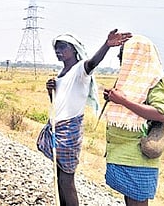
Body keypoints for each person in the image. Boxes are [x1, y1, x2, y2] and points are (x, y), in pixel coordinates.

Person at [36, 29, 131, 205]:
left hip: (69, 131)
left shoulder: (80, 69)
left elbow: (92, 63)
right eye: (56, 48)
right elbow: (58, 105)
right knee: (59, 177)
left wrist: (107, 45)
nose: (58, 51)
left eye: (63, 47)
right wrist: (51, 91)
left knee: (66, 180)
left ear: (74, 49)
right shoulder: (61, 74)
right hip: (57, 128)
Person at [102, 35, 164, 206]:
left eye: (126, 55)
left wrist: (123, 101)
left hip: (137, 156)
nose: (121, 60)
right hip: (121, 152)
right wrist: (113, 98)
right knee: (129, 199)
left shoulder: (152, 82)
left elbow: (161, 114)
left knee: (137, 202)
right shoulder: (129, 81)